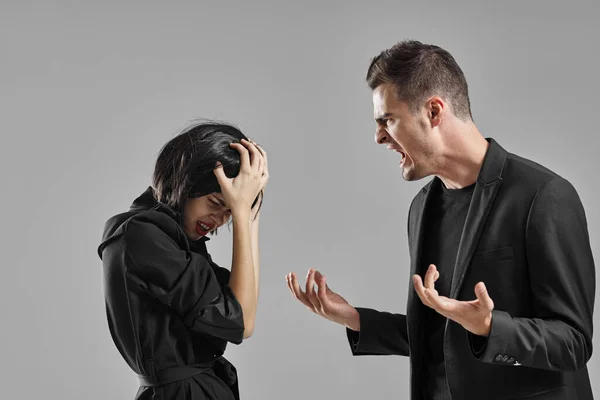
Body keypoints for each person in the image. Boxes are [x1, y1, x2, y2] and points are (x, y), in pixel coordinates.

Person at [286, 40, 596, 399]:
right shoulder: (422, 207)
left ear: (434, 111)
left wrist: (492, 327)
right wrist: (355, 318)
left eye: (388, 119)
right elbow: (442, 333)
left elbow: (573, 343)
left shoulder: (544, 195)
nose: (378, 137)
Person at [98, 121, 268, 400]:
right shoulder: (142, 236)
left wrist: (249, 213)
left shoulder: (175, 241)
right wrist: (240, 213)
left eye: (229, 212)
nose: (220, 220)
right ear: (186, 182)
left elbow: (239, 303)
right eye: (215, 203)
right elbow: (241, 322)